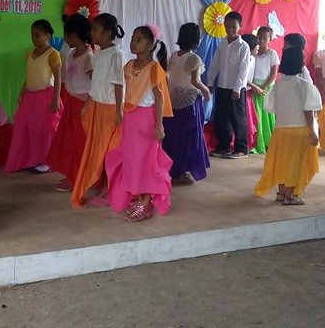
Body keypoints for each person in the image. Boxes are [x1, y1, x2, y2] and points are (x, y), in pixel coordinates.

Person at [105, 25, 173, 220]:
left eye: (139, 39)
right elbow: (123, 89)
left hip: (146, 119)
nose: (134, 42)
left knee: (147, 161)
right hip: (131, 119)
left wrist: (158, 125)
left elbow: (159, 98)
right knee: (133, 160)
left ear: (151, 45)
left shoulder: (154, 68)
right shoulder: (128, 66)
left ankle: (146, 202)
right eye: (133, 38)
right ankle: (141, 196)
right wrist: (119, 112)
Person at [253, 46, 322, 205]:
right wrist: (313, 132)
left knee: (282, 162)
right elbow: (308, 111)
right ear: (302, 63)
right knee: (295, 164)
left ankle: (282, 193)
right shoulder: (304, 85)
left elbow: (273, 108)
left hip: (280, 130)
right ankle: (290, 195)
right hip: (299, 130)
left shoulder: (278, 85)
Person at [71, 13, 125, 208]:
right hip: (97, 107)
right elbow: (96, 83)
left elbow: (119, 84)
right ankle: (103, 185)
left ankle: (109, 189)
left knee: (110, 153)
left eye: (95, 29)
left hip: (110, 110)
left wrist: (119, 111)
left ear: (108, 32)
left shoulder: (116, 54)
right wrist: (88, 102)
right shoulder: (99, 53)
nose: (91, 33)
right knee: (97, 152)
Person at [4, 19, 63, 174]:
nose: (33, 38)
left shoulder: (53, 54)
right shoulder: (31, 53)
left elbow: (58, 78)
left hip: (45, 96)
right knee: (24, 127)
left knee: (43, 130)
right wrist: (23, 89)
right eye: (32, 35)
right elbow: (30, 75)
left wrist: (55, 99)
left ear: (47, 35)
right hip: (30, 96)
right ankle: (27, 159)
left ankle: (46, 161)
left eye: (37, 35)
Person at [47, 14, 94, 192]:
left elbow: (94, 85)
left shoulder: (89, 57)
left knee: (79, 143)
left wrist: (88, 105)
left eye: (67, 35)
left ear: (75, 35)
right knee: (69, 142)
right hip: (71, 103)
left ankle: (79, 178)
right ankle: (73, 175)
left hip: (83, 106)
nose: (65, 39)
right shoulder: (73, 53)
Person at [162, 23, 210, 185]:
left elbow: (168, 75)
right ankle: (182, 172)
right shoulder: (194, 58)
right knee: (188, 139)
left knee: (174, 137)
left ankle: (173, 170)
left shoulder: (175, 55)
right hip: (189, 102)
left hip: (172, 99)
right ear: (196, 39)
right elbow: (195, 81)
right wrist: (206, 91)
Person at [207, 11, 251, 159]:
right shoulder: (222, 44)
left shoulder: (243, 47)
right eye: (227, 26)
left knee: (238, 118)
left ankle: (242, 148)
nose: (230, 30)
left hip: (236, 89)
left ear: (240, 27)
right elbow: (214, 64)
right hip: (222, 87)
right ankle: (224, 146)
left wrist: (237, 88)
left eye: (233, 27)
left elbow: (243, 69)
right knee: (221, 118)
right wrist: (210, 82)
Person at [247, 26, 279, 154]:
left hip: (266, 88)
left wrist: (262, 88)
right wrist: (254, 87)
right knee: (255, 116)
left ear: (270, 39)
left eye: (264, 38)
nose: (261, 41)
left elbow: (273, 74)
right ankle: (255, 143)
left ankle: (267, 142)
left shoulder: (272, 54)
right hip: (253, 87)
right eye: (259, 37)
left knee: (266, 116)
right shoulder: (253, 53)